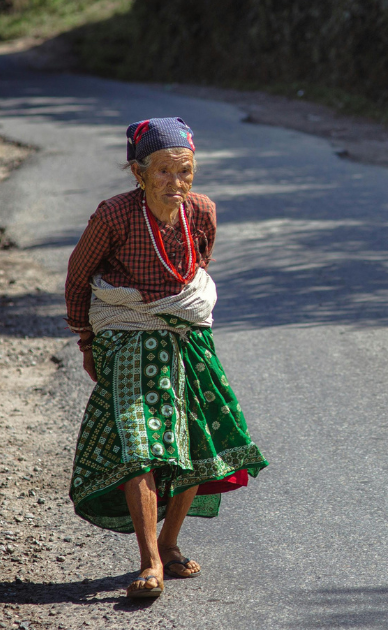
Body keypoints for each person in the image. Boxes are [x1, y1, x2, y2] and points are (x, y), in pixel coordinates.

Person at [64, 117, 268, 599]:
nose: (177, 183)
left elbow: (198, 269)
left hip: (184, 338)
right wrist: (87, 342)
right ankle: (149, 561)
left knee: (193, 440)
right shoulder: (113, 216)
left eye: (185, 171)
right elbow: (78, 278)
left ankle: (170, 544)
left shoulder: (202, 211)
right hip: (129, 338)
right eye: (164, 173)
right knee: (141, 443)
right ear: (138, 173)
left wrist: (179, 313)